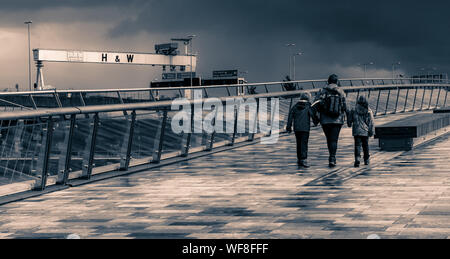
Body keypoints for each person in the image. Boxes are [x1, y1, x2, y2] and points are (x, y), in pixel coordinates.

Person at [314, 74, 347, 168]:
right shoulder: (341, 91)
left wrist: (316, 116)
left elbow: (316, 103)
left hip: (325, 119)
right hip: (337, 119)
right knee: (334, 139)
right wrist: (347, 115)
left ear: (328, 81)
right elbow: (344, 105)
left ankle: (331, 156)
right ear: (337, 81)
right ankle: (332, 158)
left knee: (329, 139)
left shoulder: (322, 91)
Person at [286, 92, 318, 168]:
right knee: (304, 143)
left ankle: (299, 159)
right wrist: (316, 122)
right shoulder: (308, 106)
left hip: (297, 128)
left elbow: (290, 116)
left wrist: (289, 127)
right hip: (305, 128)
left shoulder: (295, 106)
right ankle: (303, 159)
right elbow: (312, 114)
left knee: (298, 143)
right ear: (308, 98)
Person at [347, 96, 375, 167]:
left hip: (356, 131)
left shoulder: (354, 110)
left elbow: (350, 120)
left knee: (357, 145)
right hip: (365, 131)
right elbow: (371, 122)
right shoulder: (368, 111)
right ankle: (366, 160)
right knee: (365, 145)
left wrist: (349, 123)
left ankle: (357, 159)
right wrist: (371, 131)